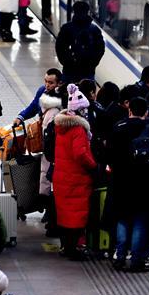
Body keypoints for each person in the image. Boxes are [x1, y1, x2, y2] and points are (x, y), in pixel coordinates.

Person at [109, 97, 149, 272]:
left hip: (120, 182)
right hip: (143, 184)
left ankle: (120, 256)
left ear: (129, 110)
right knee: (139, 222)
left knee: (122, 219)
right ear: (146, 113)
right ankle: (137, 260)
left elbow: (109, 156)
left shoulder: (118, 128)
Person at [53, 84, 97, 260]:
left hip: (62, 176)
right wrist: (93, 166)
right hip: (75, 178)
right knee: (76, 217)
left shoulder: (62, 126)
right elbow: (80, 154)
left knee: (65, 215)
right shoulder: (78, 129)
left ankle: (65, 247)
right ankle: (72, 250)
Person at [55, 0, 105, 83]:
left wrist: (66, 62)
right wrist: (92, 65)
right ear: (88, 12)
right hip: (87, 71)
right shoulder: (94, 30)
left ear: (74, 12)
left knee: (67, 93)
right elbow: (100, 50)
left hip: (69, 71)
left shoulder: (66, 28)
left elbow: (59, 47)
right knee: (86, 94)